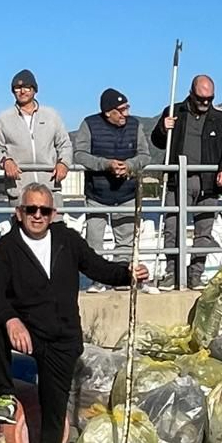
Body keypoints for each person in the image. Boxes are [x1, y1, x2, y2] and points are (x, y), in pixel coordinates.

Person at [0, 184, 150, 443]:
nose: (38, 216)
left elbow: (98, 268)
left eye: (44, 210)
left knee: (54, 406)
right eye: (31, 210)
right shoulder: (6, 248)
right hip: (26, 331)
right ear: (19, 213)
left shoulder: (67, 239)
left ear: (53, 213)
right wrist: (12, 320)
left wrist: (129, 273)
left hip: (61, 337)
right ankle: (4, 394)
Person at [149, 75, 222, 289]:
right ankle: (171, 273)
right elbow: (158, 142)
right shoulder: (173, 112)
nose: (205, 103)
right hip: (176, 181)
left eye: (210, 98)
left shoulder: (220, 118)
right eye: (201, 98)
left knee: (204, 232)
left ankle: (195, 274)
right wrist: (163, 128)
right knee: (172, 228)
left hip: (208, 183)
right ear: (191, 93)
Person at [72, 88, 153, 293]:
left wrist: (130, 166)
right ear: (108, 112)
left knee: (125, 242)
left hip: (126, 192)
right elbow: (80, 154)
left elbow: (145, 155)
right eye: (121, 110)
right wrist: (105, 164)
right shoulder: (89, 124)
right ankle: (97, 281)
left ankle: (121, 278)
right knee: (94, 241)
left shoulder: (135, 125)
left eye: (127, 108)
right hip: (97, 193)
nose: (126, 113)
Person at [0, 69, 72, 208]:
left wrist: (64, 163)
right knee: (20, 228)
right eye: (17, 88)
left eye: (27, 87)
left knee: (56, 227)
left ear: (34, 90)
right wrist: (5, 161)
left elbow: (65, 145)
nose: (22, 91)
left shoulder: (51, 115)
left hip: (50, 187)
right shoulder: (4, 118)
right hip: (19, 189)